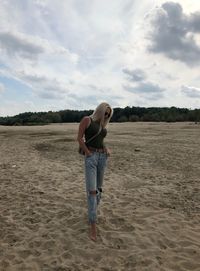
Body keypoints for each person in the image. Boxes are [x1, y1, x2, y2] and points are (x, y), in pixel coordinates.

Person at [77, 102, 113, 241]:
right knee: (92, 191)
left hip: (102, 157)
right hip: (91, 157)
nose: (106, 116)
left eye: (108, 115)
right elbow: (79, 138)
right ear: (100, 110)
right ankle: (93, 225)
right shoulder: (87, 120)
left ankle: (92, 213)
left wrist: (106, 149)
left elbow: (100, 140)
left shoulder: (103, 125)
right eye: (105, 113)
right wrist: (87, 152)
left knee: (99, 189)